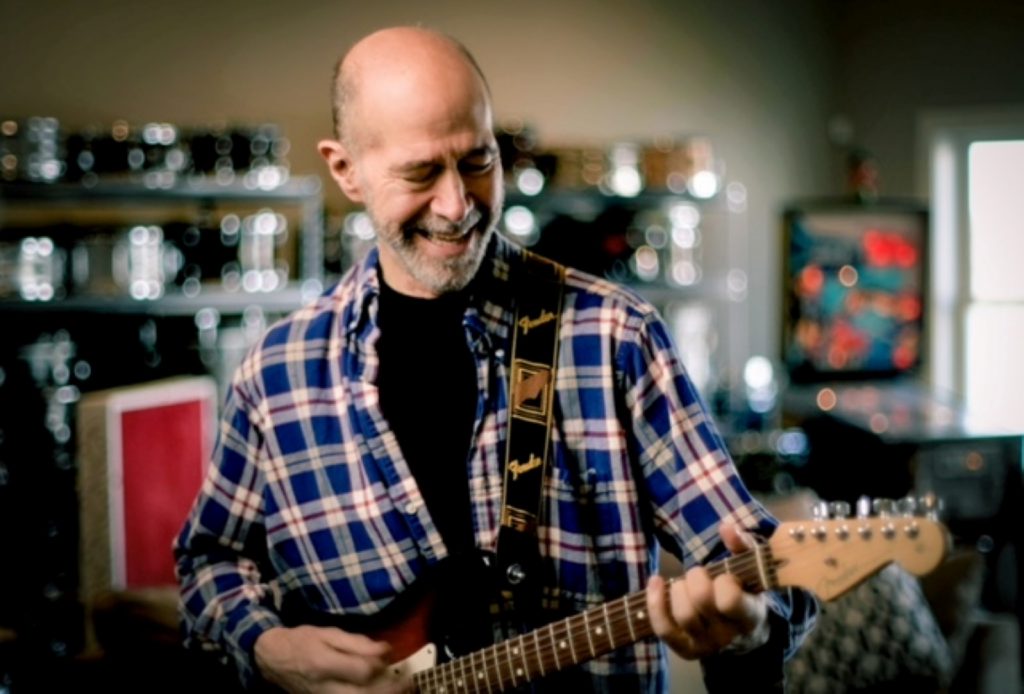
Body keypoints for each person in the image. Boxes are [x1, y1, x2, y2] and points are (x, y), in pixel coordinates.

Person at [174, 25, 817, 693]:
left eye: (478, 162)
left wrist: (751, 627)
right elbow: (209, 560)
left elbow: (760, 563)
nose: (457, 205)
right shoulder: (276, 372)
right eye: (421, 172)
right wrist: (267, 645)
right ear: (346, 170)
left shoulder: (613, 337)